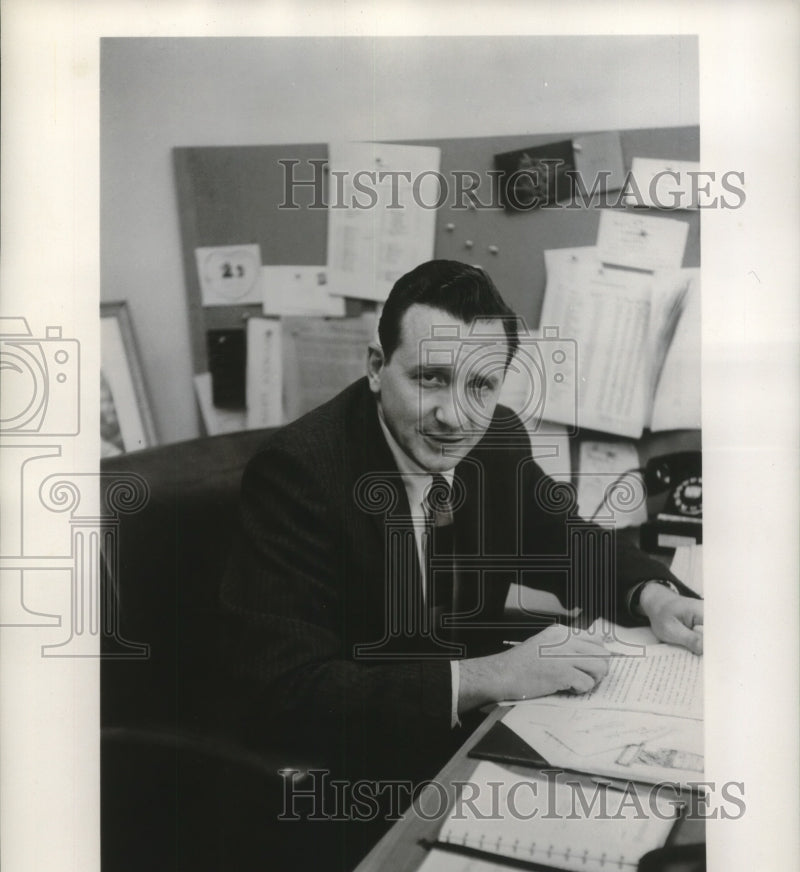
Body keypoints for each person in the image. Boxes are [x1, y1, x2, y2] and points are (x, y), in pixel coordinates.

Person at [220, 259, 702, 785]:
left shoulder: (495, 439)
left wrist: (655, 597)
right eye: (431, 378)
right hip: (358, 767)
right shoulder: (299, 473)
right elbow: (286, 692)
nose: (455, 416)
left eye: (480, 386)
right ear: (378, 367)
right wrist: (493, 675)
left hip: (466, 741)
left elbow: (564, 541)